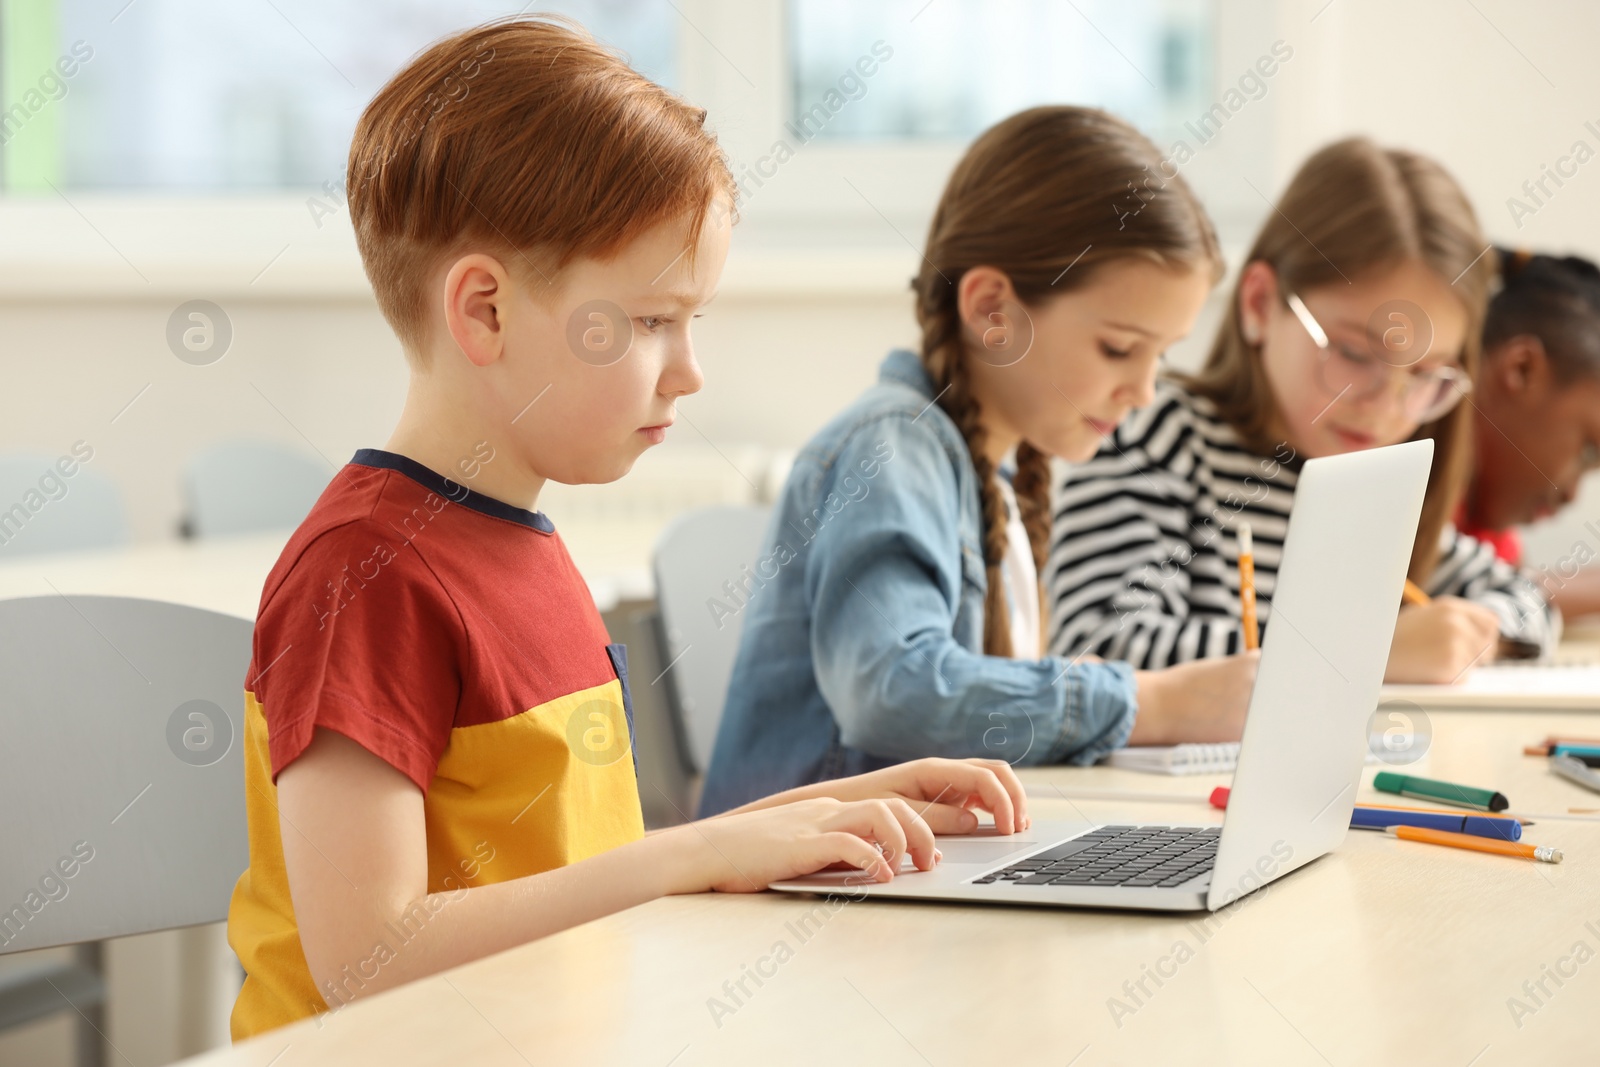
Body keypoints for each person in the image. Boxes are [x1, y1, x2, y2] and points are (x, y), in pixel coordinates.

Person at [225, 16, 1030, 1039]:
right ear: (485, 311)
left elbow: (575, 876)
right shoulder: (364, 573)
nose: (689, 368)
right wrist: (689, 856)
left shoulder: (524, 538)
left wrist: (811, 813)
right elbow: (366, 956)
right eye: (652, 321)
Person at [699, 106, 1259, 817]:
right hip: (813, 893)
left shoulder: (992, 470)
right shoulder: (893, 448)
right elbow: (891, 690)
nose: (1145, 391)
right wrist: (1148, 702)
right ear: (994, 310)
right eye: (1120, 348)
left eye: (1162, 355)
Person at [1045, 138, 1555, 684]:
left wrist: (1474, 633)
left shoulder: (1370, 486)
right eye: (1356, 354)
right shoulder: (1155, 433)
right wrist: (1366, 649)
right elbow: (1095, 646)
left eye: (1428, 376)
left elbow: (1529, 603)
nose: (1385, 406)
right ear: (1261, 304)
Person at [1463, 248, 1600, 619]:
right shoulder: (1391, 459)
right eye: (1587, 452)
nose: (1571, 494)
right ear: (1522, 369)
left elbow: (1512, 585)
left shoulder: (1480, 522)